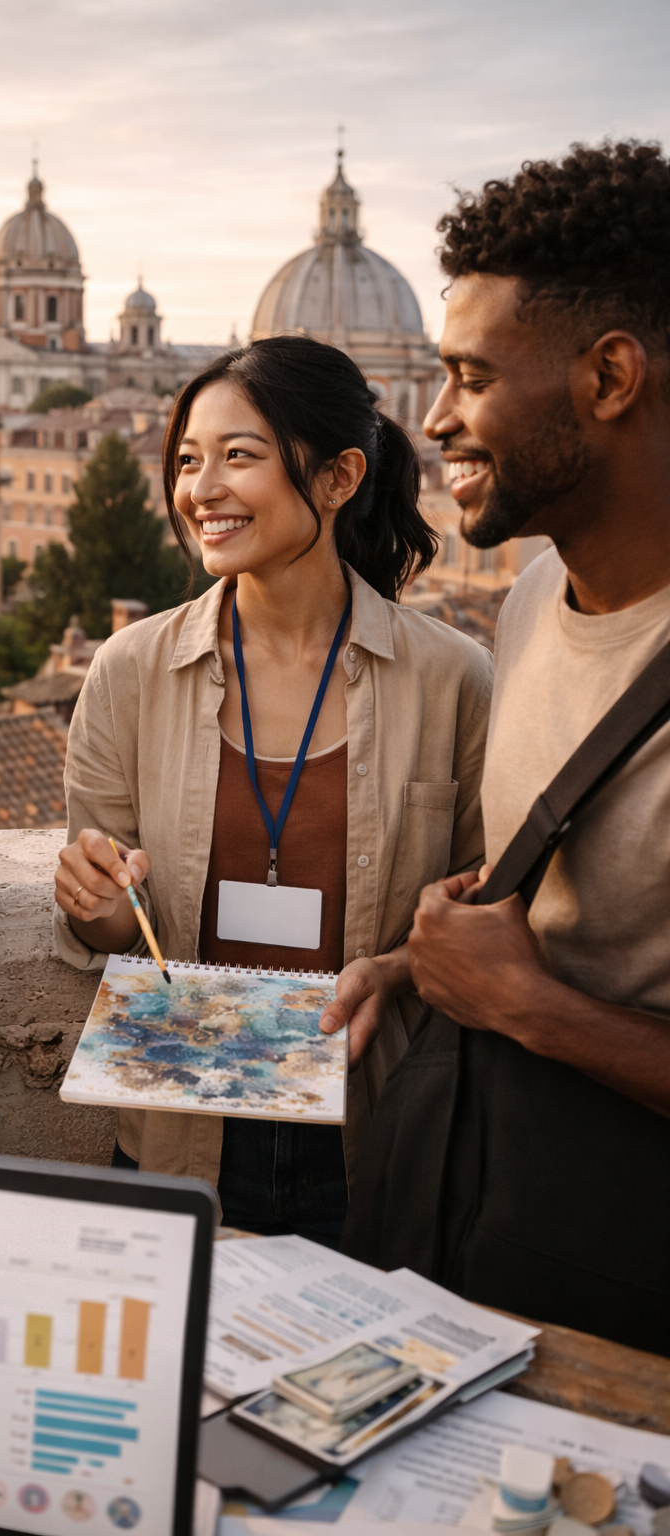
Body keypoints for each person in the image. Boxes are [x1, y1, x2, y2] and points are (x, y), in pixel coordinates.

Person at [51, 335, 492, 1245]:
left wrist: (402, 967)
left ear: (338, 478)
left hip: (375, 1128)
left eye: (237, 456)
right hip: (181, 1127)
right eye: (186, 460)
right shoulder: (130, 671)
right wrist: (95, 897)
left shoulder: (455, 679)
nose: (199, 488)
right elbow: (105, 927)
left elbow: (491, 914)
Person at [346, 141, 670, 1352]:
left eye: (468, 375)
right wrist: (432, 962)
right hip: (510, 1230)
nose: (433, 421)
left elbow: (548, 996)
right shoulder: (533, 597)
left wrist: (527, 1006)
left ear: (608, 376)